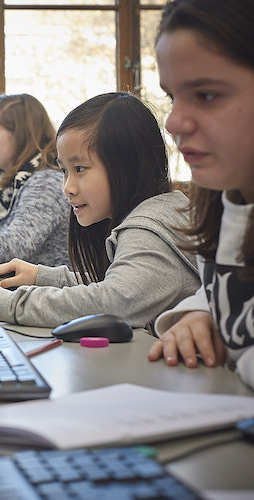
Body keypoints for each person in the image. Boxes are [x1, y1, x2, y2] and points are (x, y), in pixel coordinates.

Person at [0, 92, 200, 329]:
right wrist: (41, 276)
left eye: (79, 168)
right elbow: (117, 282)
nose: (67, 188)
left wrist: (1, 302)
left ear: (127, 167)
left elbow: (114, 302)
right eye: (65, 171)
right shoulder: (149, 217)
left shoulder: (149, 230)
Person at [146, 0, 254, 388]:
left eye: (206, 96)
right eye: (172, 96)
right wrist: (200, 315)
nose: (174, 122)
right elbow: (228, 291)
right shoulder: (226, 200)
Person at [0, 94, 70, 266]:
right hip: (13, 290)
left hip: (41, 291)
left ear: (20, 136)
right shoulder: (6, 184)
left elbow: (16, 245)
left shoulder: (46, 182)